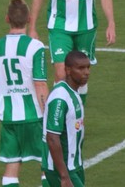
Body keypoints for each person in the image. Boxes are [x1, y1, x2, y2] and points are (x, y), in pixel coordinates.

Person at [0, 0, 49, 187]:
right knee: (49, 166)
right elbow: (40, 84)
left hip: (9, 118)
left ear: (7, 19)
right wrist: (48, 115)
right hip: (35, 117)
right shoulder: (35, 47)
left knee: (12, 166)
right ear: (30, 19)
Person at [42, 51, 90, 187]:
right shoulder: (60, 98)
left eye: (88, 67)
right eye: (81, 68)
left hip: (74, 165)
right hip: (62, 168)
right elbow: (52, 137)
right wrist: (64, 176)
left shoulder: (73, 93)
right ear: (68, 70)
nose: (86, 72)